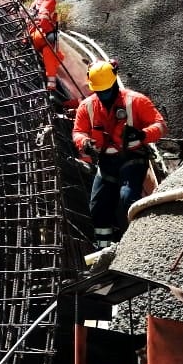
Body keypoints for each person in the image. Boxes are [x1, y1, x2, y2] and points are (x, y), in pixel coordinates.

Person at [72, 60, 167, 248]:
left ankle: (141, 244)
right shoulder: (87, 107)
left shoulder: (136, 101)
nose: (105, 95)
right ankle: (104, 248)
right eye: (101, 92)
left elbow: (161, 126)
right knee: (98, 206)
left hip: (132, 158)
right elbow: (78, 132)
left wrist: (143, 134)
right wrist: (85, 143)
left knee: (128, 198)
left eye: (107, 90)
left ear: (115, 82)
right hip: (106, 162)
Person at [28, 0, 75, 92]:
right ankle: (51, 83)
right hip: (39, 33)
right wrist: (49, 31)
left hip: (32, 32)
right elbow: (43, 16)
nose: (63, 0)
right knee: (52, 51)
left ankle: (49, 74)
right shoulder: (50, 0)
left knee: (59, 55)